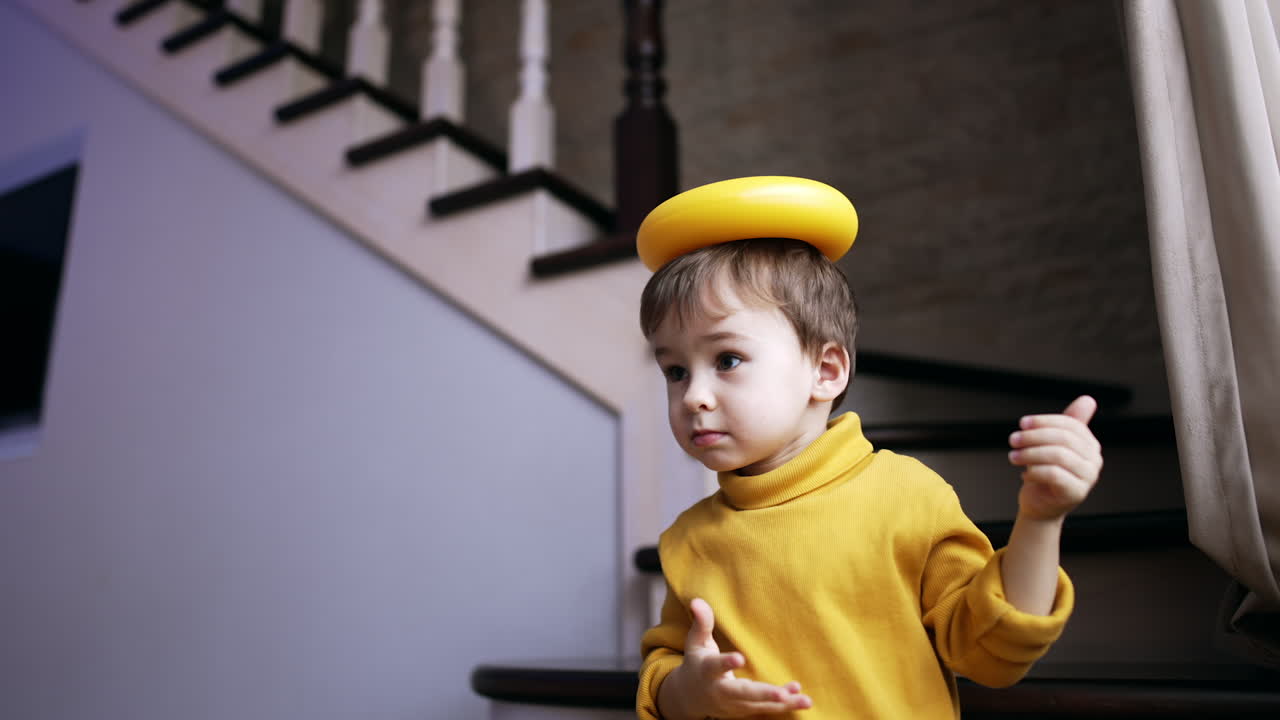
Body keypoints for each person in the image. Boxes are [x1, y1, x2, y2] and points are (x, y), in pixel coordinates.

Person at [633, 177, 1104, 719]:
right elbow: (667, 664)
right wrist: (688, 691)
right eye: (674, 370)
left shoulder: (907, 496)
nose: (693, 396)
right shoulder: (687, 540)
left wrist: (1040, 521)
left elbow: (991, 654)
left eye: (727, 360)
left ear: (825, 371)